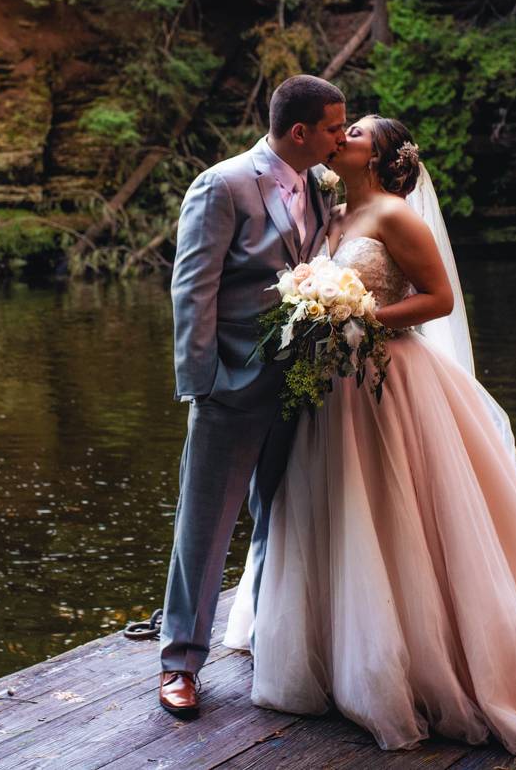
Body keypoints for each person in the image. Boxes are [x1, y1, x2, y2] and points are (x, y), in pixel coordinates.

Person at [223, 115, 516, 752]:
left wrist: (361, 316)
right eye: (340, 129)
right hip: (331, 384)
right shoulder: (332, 215)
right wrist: (316, 313)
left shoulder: (396, 216)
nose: (340, 138)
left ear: (379, 157)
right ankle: (332, 648)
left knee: (394, 508)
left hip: (388, 378)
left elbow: (439, 299)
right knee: (335, 506)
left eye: (354, 133)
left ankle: (419, 657)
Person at [158, 74, 347, 718]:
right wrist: (204, 385)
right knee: (204, 527)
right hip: (230, 386)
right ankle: (180, 662)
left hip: (300, 386)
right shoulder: (223, 184)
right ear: (299, 132)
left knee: (280, 519)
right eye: (332, 128)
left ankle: (272, 641)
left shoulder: (322, 185)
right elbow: (192, 290)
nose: (340, 137)